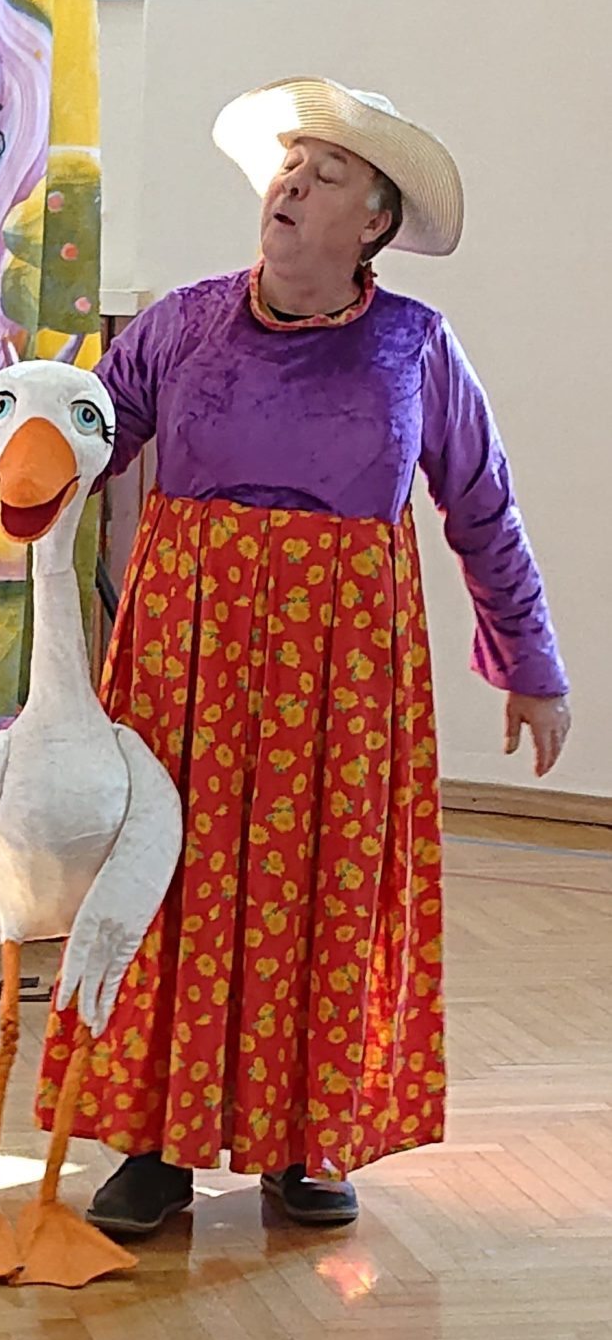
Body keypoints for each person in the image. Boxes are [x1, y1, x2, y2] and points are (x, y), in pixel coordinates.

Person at [36, 76, 571, 1234]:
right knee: (164, 877)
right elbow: (83, 438)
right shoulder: (183, 324)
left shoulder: (416, 348)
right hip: (183, 664)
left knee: (324, 890)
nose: (291, 184)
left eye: (327, 175)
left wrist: (532, 665)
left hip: (341, 677)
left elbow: (483, 508)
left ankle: (305, 1136)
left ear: (374, 223)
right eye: (288, 165)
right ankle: (152, 1144)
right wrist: (22, 443)